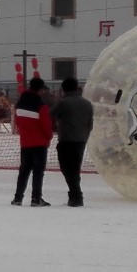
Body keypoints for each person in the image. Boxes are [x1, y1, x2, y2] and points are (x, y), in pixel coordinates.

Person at [11, 77, 53, 206]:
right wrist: (49, 137)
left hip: (25, 143)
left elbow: (17, 122)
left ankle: (18, 198)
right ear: (40, 89)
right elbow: (46, 125)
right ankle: (36, 198)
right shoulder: (41, 105)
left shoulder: (20, 103)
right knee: (38, 172)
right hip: (40, 144)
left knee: (23, 171)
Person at [52, 77, 93, 208]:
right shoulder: (87, 104)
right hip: (81, 140)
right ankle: (75, 196)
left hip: (66, 140)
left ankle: (76, 196)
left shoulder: (62, 103)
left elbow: (50, 115)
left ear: (63, 89)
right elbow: (90, 124)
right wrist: (85, 136)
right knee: (75, 168)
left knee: (67, 168)